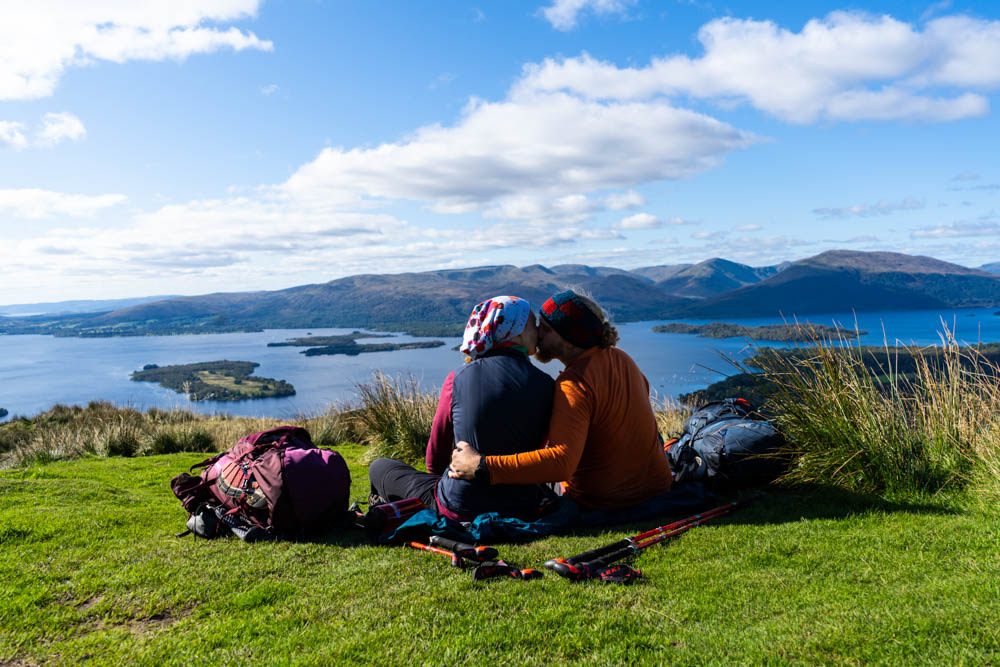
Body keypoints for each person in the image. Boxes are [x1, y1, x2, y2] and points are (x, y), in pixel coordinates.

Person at [449, 290, 672, 509]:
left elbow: (560, 463)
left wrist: (482, 467)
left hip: (605, 500)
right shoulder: (622, 358)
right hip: (658, 487)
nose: (536, 333)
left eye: (545, 329)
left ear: (569, 337)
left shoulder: (574, 384)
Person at [368, 295, 554, 521]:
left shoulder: (457, 378)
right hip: (523, 507)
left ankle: (382, 511)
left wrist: (438, 485)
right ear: (515, 330)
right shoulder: (548, 385)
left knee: (379, 466)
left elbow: (435, 455)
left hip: (459, 505)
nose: (538, 330)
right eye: (531, 323)